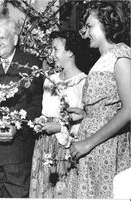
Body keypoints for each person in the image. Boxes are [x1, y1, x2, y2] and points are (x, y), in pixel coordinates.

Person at [0, 17, 43, 197]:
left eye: (2, 38)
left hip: (18, 151)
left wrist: (18, 126)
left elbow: (36, 104)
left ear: (15, 39)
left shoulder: (31, 63)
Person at [68, 2, 131, 198]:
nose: (85, 32)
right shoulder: (104, 57)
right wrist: (86, 114)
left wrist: (88, 143)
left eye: (90, 26)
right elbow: (109, 103)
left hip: (105, 147)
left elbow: (129, 110)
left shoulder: (121, 56)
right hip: (95, 147)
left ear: (107, 25)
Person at [29, 30, 87, 198]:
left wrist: (60, 127)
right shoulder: (49, 80)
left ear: (70, 52)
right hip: (43, 146)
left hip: (66, 149)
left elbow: (86, 120)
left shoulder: (83, 82)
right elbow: (46, 111)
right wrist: (40, 120)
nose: (51, 54)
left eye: (56, 49)